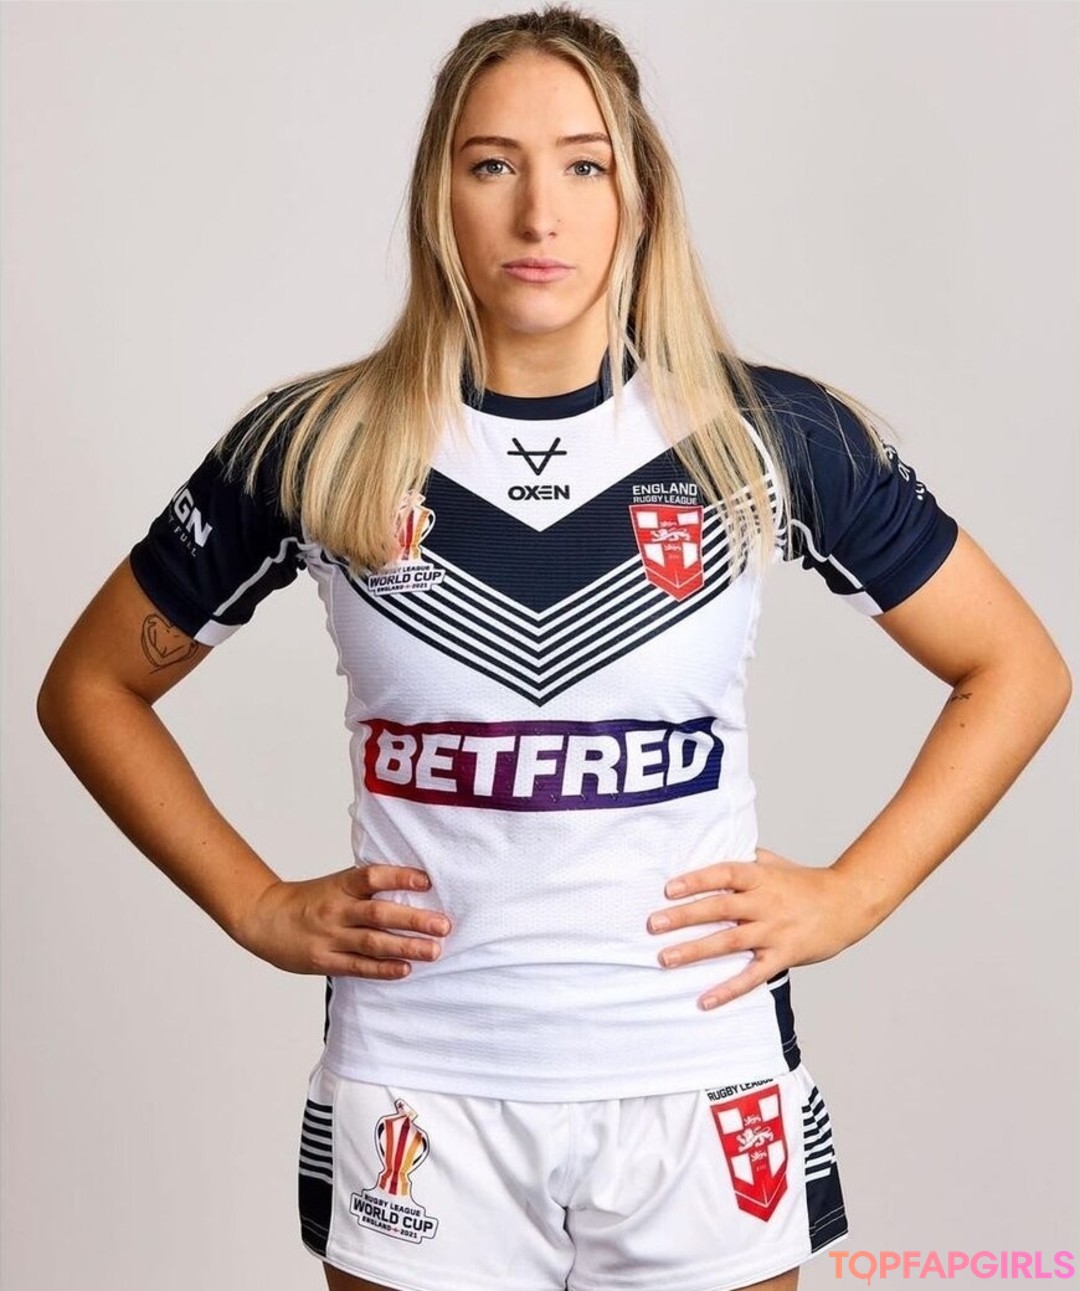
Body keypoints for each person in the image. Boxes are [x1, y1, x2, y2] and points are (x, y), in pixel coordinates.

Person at [36, 7, 1070, 1291]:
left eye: (585, 164)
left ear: (641, 191)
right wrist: (253, 902)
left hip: (697, 1076)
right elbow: (92, 686)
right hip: (421, 1083)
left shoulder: (763, 436)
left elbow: (1018, 668)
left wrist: (854, 894)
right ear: (439, 193)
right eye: (494, 164)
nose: (540, 213)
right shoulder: (319, 443)